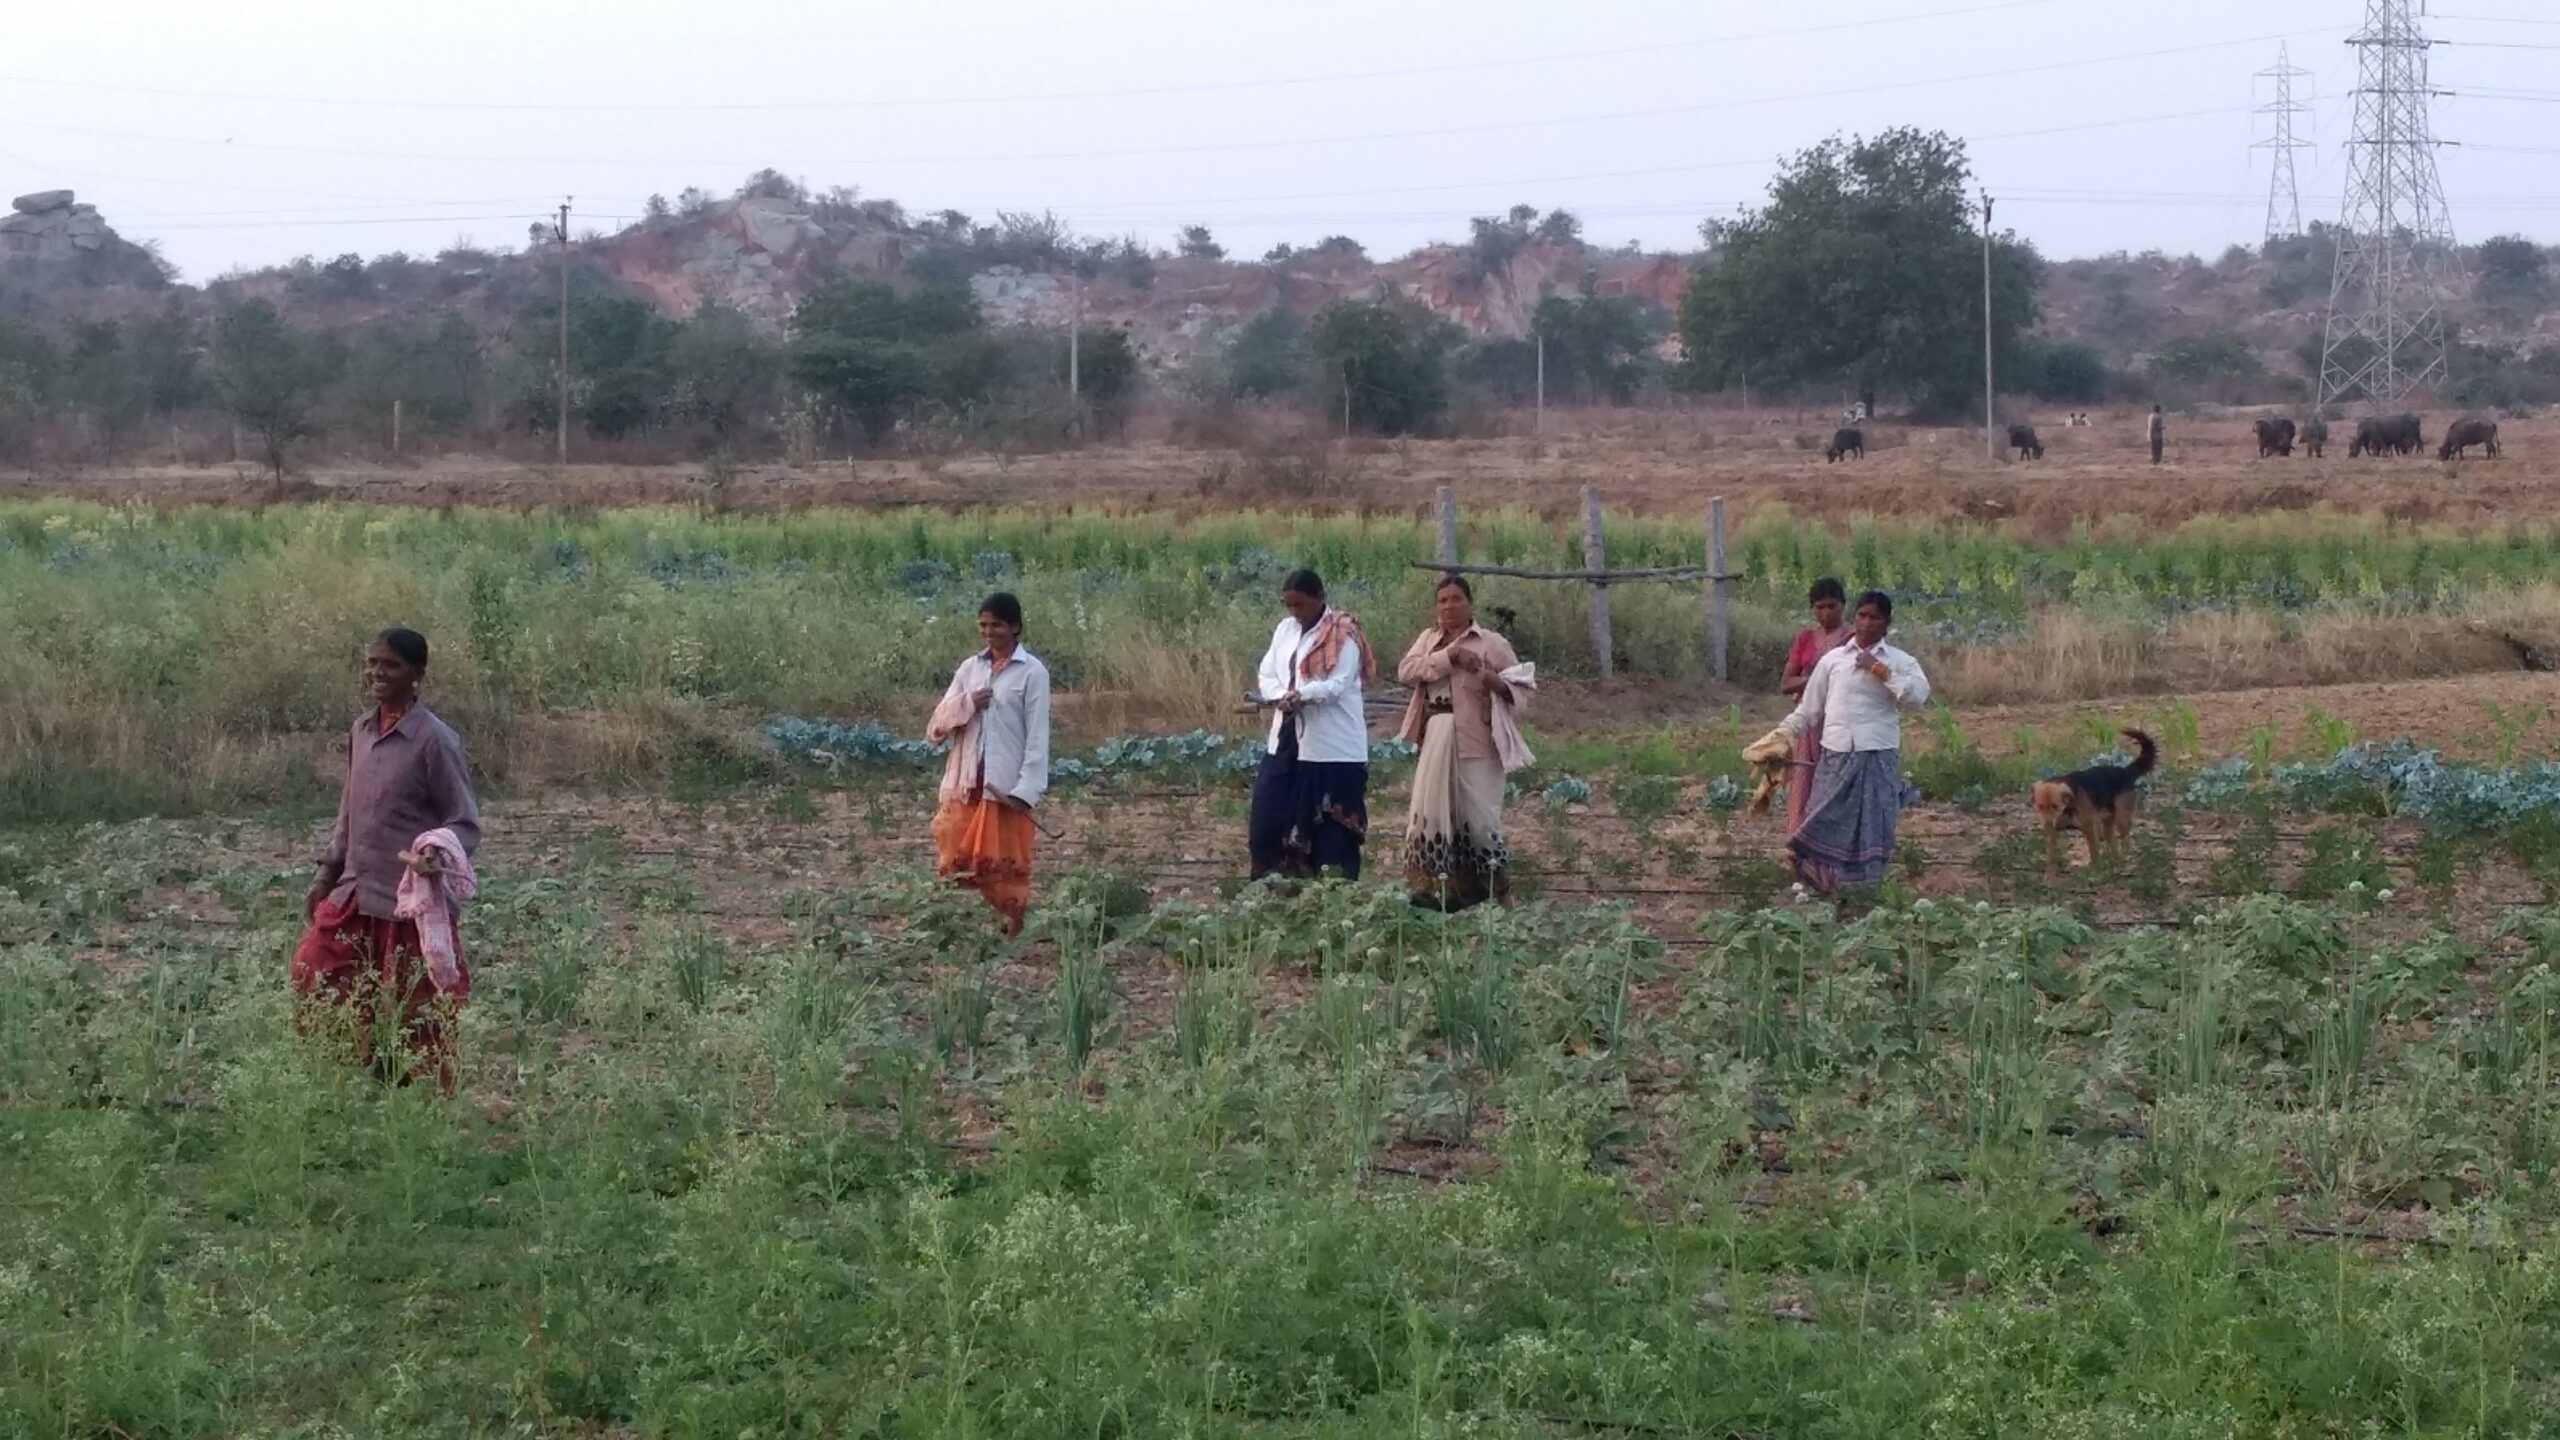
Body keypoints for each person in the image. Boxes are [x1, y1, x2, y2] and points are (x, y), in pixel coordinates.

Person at [295, 627, 481, 1094]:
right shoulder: (361, 731)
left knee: (417, 1017)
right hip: (356, 893)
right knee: (313, 977)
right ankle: (362, 1081)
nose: (378, 673)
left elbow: (464, 821)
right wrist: (326, 874)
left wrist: (434, 853)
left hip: (407, 905)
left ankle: (422, 1108)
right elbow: (348, 813)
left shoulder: (434, 740)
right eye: (372, 663)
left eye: (391, 665)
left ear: (417, 675)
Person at [1395, 576, 1534, 911]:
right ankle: (1437, 894)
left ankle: (1501, 894)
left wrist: (1494, 682)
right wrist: (1451, 656)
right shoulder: (1429, 640)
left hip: (1478, 741)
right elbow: (1407, 671)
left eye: (1456, 599)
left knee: (1482, 821)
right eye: (1442, 600)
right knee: (1435, 815)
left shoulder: (1491, 643)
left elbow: (1523, 690)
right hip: (1436, 736)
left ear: (1469, 603)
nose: (1448, 606)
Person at [1779, 591, 1931, 894]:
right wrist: (1781, 735)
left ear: (1886, 624)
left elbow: (1918, 696)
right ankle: (1823, 885)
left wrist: (1881, 671)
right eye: (1862, 616)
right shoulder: (1833, 661)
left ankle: (1864, 890)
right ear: (1854, 619)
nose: (1866, 623)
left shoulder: (1901, 661)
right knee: (1822, 817)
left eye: (1875, 617)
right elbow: (1810, 709)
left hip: (1876, 753)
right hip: (1835, 753)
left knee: (1873, 823)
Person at [927, 592, 1052, 937]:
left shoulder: (1032, 673)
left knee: (1002, 860)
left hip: (1005, 784)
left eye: (996, 624)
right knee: (952, 843)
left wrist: (1027, 788)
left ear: (1015, 627)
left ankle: (1014, 921)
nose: (988, 631)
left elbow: (1037, 735)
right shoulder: (971, 669)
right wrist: (969, 703)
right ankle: (976, 920)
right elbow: (936, 724)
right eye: (983, 625)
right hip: (967, 779)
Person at [1248, 568, 1374, 883]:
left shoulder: (1343, 633)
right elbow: (1267, 673)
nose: (1294, 613)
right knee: (1267, 825)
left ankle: (1334, 905)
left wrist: (1302, 695)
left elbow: (1338, 684)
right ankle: (1277, 898)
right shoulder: (1284, 630)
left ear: (1319, 598)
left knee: (1332, 839)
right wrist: (1279, 696)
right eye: (1288, 605)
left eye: (1300, 605)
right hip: (1287, 744)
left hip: (1332, 752)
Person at [1777, 577, 1854, 840]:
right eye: (1819, 607)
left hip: (1842, 720)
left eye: (1831, 606)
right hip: (1809, 721)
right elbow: (1786, 683)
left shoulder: (1853, 638)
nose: (1825, 613)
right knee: (1804, 779)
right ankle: (1800, 843)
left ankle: (1834, 844)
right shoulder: (1806, 639)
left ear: (1843, 606)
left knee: (1836, 781)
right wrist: (1816, 680)